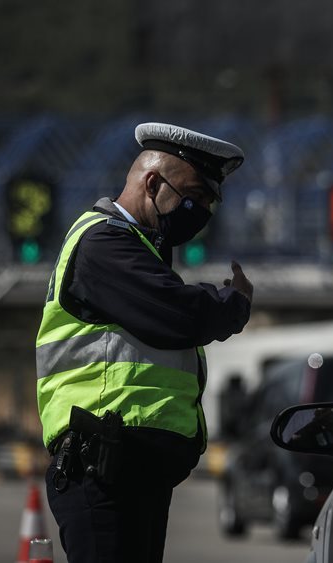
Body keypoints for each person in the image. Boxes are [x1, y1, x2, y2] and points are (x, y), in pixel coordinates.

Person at [35, 122, 254, 563]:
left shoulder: (139, 251)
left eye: (210, 202)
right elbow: (180, 314)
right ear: (153, 183)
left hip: (133, 471)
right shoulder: (102, 241)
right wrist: (234, 302)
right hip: (100, 466)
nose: (203, 211)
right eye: (196, 195)